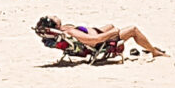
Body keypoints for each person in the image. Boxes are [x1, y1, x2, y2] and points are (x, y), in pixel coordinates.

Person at [36, 16, 167, 56]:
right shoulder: (70, 33)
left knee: (110, 24)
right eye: (53, 17)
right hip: (101, 41)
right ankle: (154, 51)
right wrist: (112, 33)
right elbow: (94, 41)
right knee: (133, 30)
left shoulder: (64, 31)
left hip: (97, 32)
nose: (55, 16)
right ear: (56, 25)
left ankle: (146, 45)